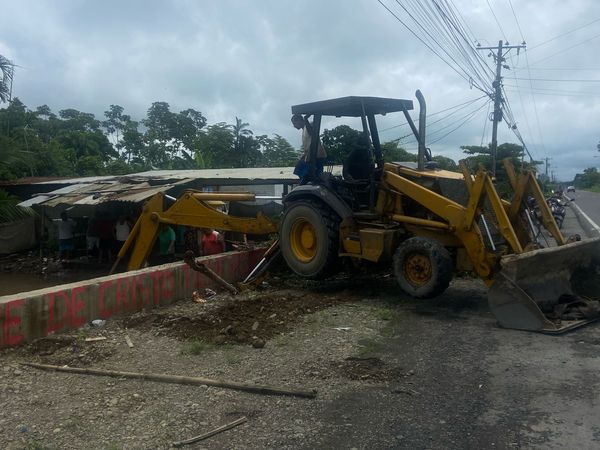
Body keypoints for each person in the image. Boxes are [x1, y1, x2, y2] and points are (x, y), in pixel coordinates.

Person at [291, 113, 327, 183]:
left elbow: (312, 133)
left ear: (299, 120)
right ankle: (308, 180)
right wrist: (303, 156)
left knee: (312, 173)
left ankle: (312, 181)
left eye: (294, 123)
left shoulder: (310, 124)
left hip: (317, 155)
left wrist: (306, 119)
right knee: (299, 169)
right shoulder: (304, 129)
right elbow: (308, 146)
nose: (294, 126)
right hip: (310, 155)